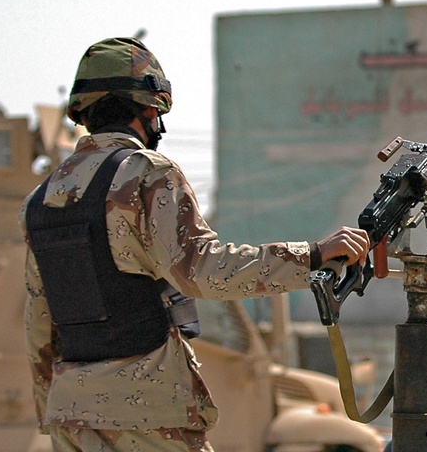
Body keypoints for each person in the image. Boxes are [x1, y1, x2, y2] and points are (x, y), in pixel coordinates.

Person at [20, 37, 370, 452]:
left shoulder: (42, 198)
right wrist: (311, 255)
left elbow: (39, 322)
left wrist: (54, 407)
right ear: (150, 108)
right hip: (146, 414)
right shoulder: (145, 173)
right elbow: (203, 271)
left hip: (72, 415)